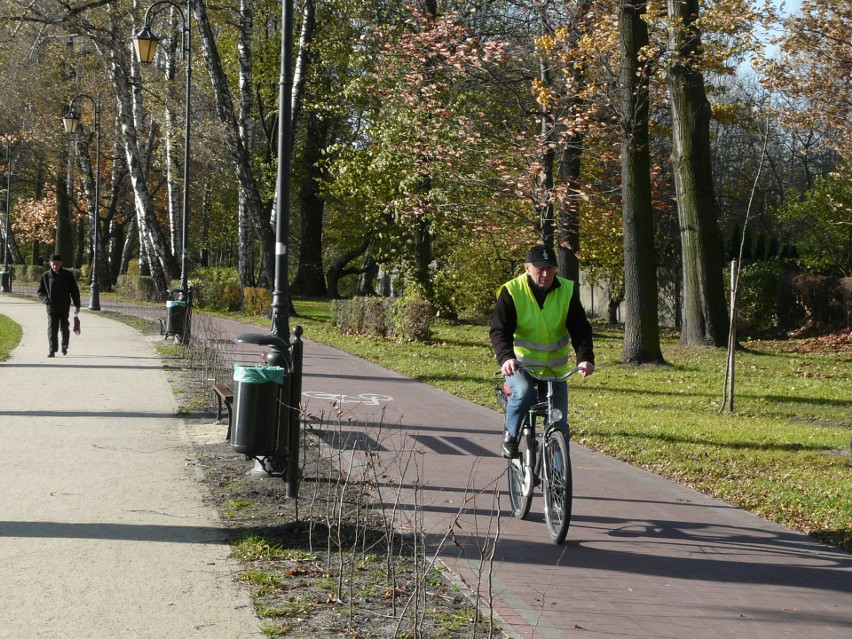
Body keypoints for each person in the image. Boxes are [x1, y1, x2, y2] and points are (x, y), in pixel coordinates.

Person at [490, 244, 595, 458]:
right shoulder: (512, 290)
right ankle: (510, 435)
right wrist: (506, 358)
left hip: (554, 370)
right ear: (527, 268)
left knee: (558, 424)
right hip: (521, 365)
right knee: (525, 394)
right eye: (540, 269)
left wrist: (585, 358)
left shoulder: (566, 290)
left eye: (550, 268)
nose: (546, 274)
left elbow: (580, 329)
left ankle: (557, 477)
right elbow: (499, 331)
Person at [37, 254, 81, 358]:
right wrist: (45, 300)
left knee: (64, 327)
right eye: (53, 264)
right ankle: (52, 350)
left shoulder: (67, 275)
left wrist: (77, 304)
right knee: (52, 328)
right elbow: (40, 292)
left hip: (64, 306)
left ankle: (64, 345)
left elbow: (74, 291)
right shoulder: (45, 276)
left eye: (57, 264)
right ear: (50, 263)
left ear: (61, 263)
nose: (55, 266)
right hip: (51, 307)